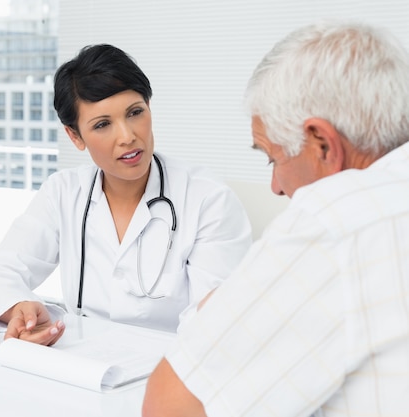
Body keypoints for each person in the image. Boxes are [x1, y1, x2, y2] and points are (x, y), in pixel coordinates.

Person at [143, 20, 409, 417]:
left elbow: (172, 404)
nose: (275, 187)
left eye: (273, 157)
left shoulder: (338, 221)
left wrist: (221, 312)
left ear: (322, 144)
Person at [0, 44, 252, 346]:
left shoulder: (208, 200)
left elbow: (216, 318)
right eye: (103, 124)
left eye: (135, 113)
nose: (128, 136)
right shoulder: (64, 192)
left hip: (170, 367)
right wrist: (19, 310)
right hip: (82, 363)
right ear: (75, 136)